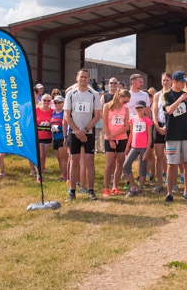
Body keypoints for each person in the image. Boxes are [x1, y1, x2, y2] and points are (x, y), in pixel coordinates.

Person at [64, 68, 102, 201]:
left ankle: (91, 190)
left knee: (89, 162)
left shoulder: (94, 94)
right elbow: (67, 115)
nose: (83, 79)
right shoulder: (70, 94)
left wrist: (85, 130)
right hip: (74, 132)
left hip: (89, 132)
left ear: (89, 79)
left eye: (86, 77)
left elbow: (97, 116)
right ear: (77, 78)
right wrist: (76, 131)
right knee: (74, 162)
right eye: (81, 77)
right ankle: (72, 191)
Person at [163, 71, 187, 202]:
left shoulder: (186, 95)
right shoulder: (167, 95)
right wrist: (180, 99)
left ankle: (186, 191)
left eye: (185, 82)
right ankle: (169, 192)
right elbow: (169, 110)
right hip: (172, 134)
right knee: (172, 164)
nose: (184, 84)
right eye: (182, 81)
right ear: (174, 82)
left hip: (186, 133)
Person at [101, 89, 131, 197]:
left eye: (127, 102)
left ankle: (115, 187)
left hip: (122, 138)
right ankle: (106, 188)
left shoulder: (125, 109)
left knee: (120, 162)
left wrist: (116, 134)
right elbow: (104, 123)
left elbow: (126, 126)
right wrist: (111, 139)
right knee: (109, 163)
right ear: (119, 97)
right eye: (125, 101)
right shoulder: (107, 106)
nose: (126, 103)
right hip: (109, 137)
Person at [122, 101, 153, 196]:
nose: (139, 110)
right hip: (134, 147)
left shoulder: (148, 121)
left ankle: (140, 189)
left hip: (143, 147)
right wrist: (127, 146)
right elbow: (131, 134)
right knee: (126, 165)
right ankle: (133, 186)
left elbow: (150, 137)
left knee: (142, 168)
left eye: (141, 108)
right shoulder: (133, 120)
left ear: (144, 109)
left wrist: (147, 151)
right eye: (137, 108)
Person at [150, 72, 171, 194]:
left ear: (171, 81)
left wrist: (168, 127)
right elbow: (154, 112)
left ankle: (171, 182)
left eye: (167, 80)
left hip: (170, 128)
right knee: (159, 157)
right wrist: (157, 126)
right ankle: (159, 184)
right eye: (163, 80)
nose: (165, 82)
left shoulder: (173, 94)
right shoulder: (157, 95)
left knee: (170, 157)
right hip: (158, 126)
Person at [35, 93, 54, 183]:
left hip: (47, 136)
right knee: (40, 155)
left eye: (48, 100)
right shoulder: (36, 110)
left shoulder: (52, 111)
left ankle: (41, 171)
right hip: (38, 136)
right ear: (41, 101)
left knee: (44, 156)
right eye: (44, 100)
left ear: (51, 102)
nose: (46, 102)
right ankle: (38, 175)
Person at [50, 95, 68, 182]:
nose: (57, 104)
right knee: (58, 158)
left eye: (59, 102)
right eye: (55, 102)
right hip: (55, 137)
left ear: (63, 103)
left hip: (62, 136)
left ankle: (65, 175)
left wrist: (65, 137)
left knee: (63, 158)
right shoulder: (53, 112)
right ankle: (62, 174)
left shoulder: (64, 112)